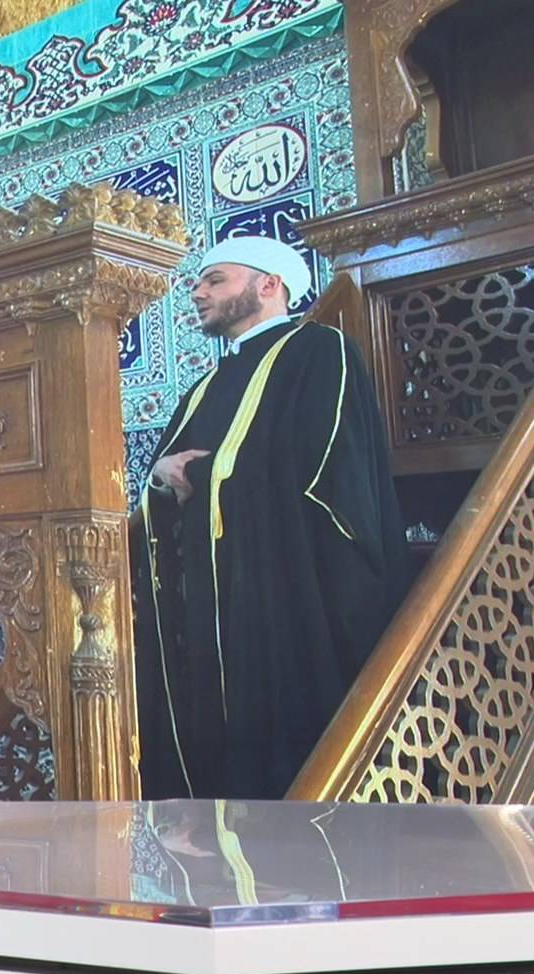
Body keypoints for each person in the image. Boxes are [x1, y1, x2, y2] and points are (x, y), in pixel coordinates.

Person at [132, 236, 411, 800]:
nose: (198, 292)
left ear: (269, 284)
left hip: (286, 593)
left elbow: (327, 469)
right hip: (214, 607)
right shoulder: (206, 387)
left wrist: (212, 477)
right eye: (199, 282)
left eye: (215, 280)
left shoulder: (319, 351)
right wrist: (161, 480)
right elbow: (167, 481)